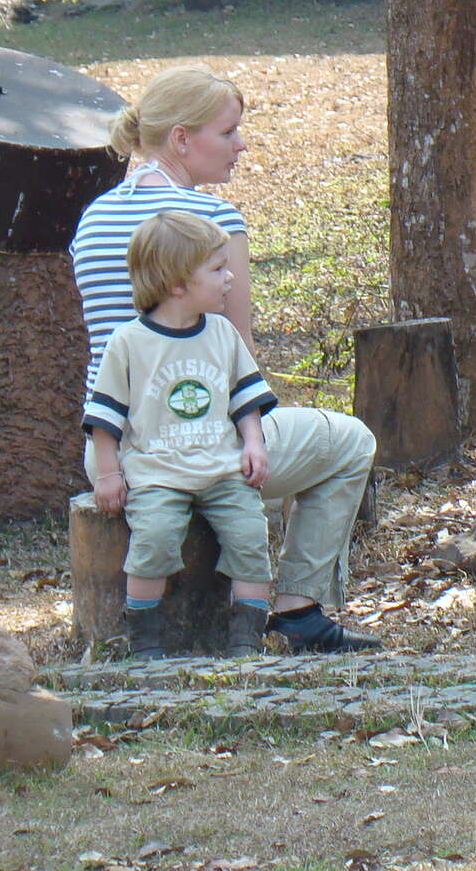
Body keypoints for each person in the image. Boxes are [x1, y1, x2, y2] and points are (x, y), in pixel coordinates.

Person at [72, 64, 380, 653]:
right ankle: (298, 605)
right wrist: (252, 436)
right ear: (182, 138)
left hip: (110, 452)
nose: (241, 145)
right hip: (201, 442)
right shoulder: (210, 222)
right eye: (229, 131)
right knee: (350, 441)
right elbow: (236, 349)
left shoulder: (92, 217)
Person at [84, 211, 277, 659]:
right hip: (157, 471)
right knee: (153, 540)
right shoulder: (130, 343)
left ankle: (247, 638)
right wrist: (109, 475)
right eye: (216, 269)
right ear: (176, 284)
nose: (230, 277)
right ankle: (145, 642)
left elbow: (244, 398)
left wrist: (253, 442)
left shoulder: (222, 333)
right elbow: (105, 418)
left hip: (221, 467)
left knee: (250, 537)